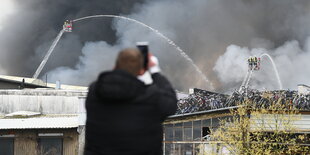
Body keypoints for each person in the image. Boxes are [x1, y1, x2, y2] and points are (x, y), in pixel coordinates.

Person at [84, 48, 177, 155]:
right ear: (141, 71)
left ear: (115, 67)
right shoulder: (150, 97)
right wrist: (154, 71)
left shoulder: (94, 93)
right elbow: (171, 104)